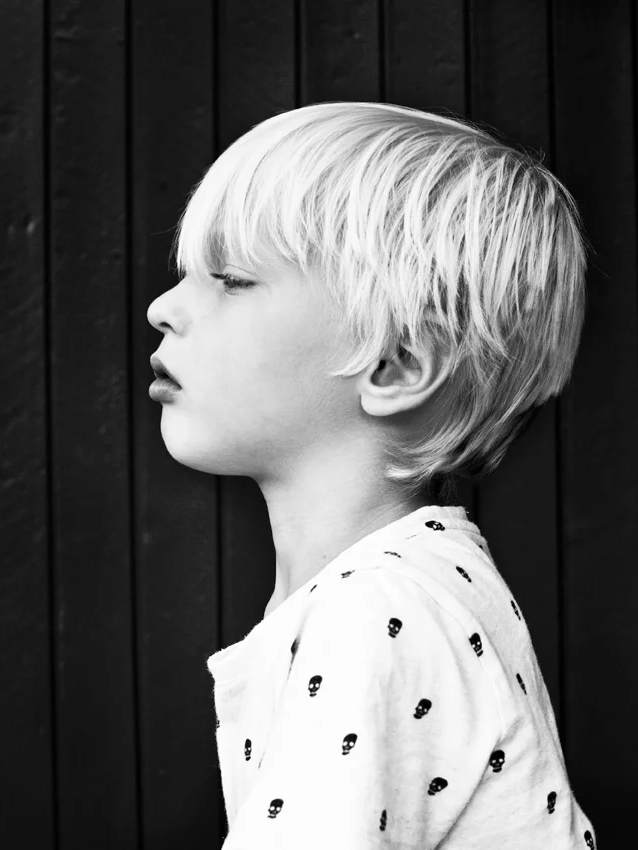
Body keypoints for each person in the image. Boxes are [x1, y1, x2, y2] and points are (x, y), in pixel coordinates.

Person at [147, 101, 598, 849]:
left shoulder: (373, 613)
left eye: (230, 279)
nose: (163, 308)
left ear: (394, 366)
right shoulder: (409, 586)